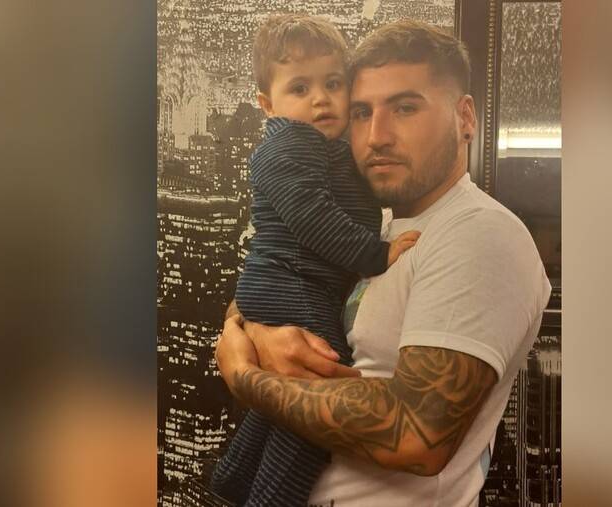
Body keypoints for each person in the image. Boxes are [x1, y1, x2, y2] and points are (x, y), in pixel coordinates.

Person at [216, 19, 552, 506]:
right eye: (360, 112)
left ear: (465, 117)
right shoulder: (376, 229)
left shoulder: (480, 234)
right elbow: (276, 282)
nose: (376, 136)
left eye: (405, 108)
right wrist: (260, 332)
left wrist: (247, 377)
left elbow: (416, 434)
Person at [209, 14, 421, 507]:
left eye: (333, 84)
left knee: (284, 389)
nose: (321, 99)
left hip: (291, 283)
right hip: (294, 285)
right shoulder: (291, 142)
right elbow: (312, 217)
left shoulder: (325, 145)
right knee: (318, 395)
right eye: (300, 88)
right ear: (267, 105)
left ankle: (233, 478)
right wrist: (377, 254)